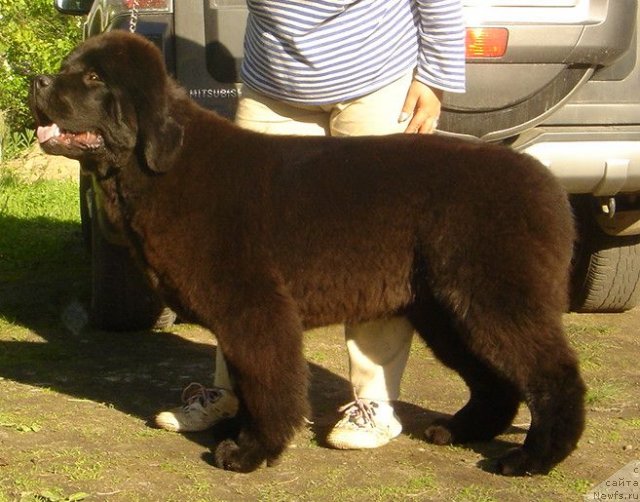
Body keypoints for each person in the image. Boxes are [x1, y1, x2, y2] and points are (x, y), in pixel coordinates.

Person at [156, 0, 466, 450]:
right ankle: (233, 393)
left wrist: (434, 78)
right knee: (233, 253)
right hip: (273, 84)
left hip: (376, 77)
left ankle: (374, 401)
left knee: (378, 250)